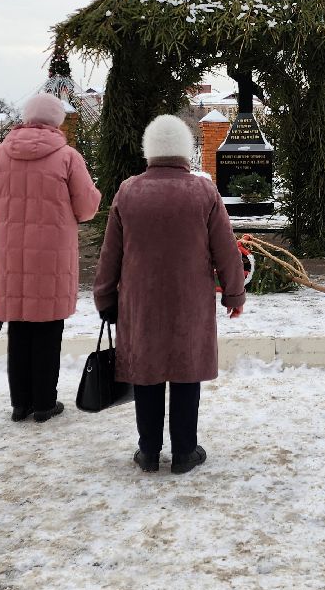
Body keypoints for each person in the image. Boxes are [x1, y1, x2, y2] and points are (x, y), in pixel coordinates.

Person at [93, 114, 246, 474]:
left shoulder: (128, 191)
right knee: (186, 371)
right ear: (185, 150)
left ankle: (148, 452)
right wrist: (234, 296)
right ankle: (184, 452)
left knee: (145, 373)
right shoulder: (203, 192)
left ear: (148, 150)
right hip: (190, 302)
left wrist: (105, 299)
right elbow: (226, 251)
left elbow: (110, 254)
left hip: (140, 303)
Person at [0, 92, 100, 422]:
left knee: (18, 328)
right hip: (52, 259)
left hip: (8, 258)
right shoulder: (68, 157)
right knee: (48, 328)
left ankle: (21, 404)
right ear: (57, 120)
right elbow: (87, 208)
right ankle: (44, 403)